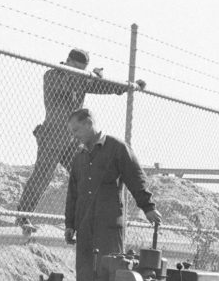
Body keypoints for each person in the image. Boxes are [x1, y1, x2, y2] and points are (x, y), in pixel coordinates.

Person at [16, 48, 146, 234]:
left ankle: (87, 218)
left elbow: (103, 87)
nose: (78, 71)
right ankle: (22, 216)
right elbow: (71, 83)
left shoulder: (83, 80)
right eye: (76, 67)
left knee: (87, 175)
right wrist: (91, 76)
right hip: (52, 136)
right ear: (67, 61)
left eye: (82, 69)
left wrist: (128, 86)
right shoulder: (53, 75)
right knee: (42, 177)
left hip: (72, 139)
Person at [64, 107, 162, 281]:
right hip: (84, 227)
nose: (74, 137)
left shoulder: (117, 148)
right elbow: (73, 193)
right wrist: (70, 224)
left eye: (76, 131)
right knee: (85, 276)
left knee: (109, 274)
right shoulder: (79, 157)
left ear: (89, 124)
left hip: (108, 227)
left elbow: (136, 177)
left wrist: (148, 206)